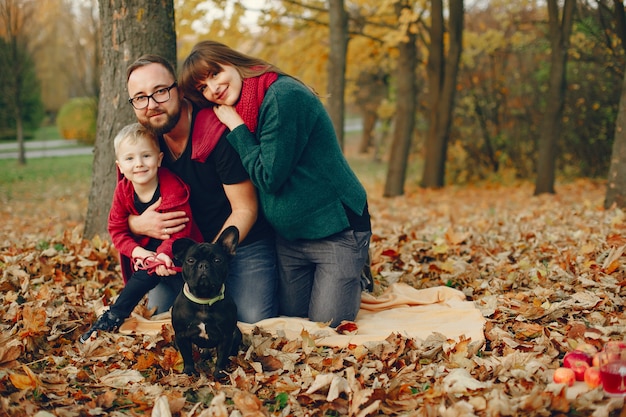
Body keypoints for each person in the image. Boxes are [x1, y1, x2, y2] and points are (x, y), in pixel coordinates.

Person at [179, 41, 372, 327]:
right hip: (290, 238)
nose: (213, 88)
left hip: (336, 227)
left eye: (215, 74)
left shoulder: (281, 97)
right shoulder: (243, 107)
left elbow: (268, 177)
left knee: (325, 325)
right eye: (203, 88)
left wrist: (237, 128)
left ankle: (358, 270)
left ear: (232, 61)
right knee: (290, 321)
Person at [125, 54, 279, 323]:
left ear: (179, 90)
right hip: (182, 251)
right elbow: (122, 207)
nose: (151, 105)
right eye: (140, 97)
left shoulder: (216, 134)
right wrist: (136, 224)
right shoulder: (144, 145)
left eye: (160, 92)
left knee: (250, 321)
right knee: (159, 316)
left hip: (240, 244)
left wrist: (209, 256)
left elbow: (246, 208)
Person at [80, 123, 204, 343]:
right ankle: (113, 317)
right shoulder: (123, 191)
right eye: (129, 159)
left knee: (189, 298)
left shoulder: (172, 189)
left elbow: (180, 231)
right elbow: (116, 230)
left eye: (146, 156)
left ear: (158, 158)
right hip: (150, 260)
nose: (138, 164)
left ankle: (115, 314)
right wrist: (137, 252)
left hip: (180, 257)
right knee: (153, 289)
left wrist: (163, 255)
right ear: (120, 166)